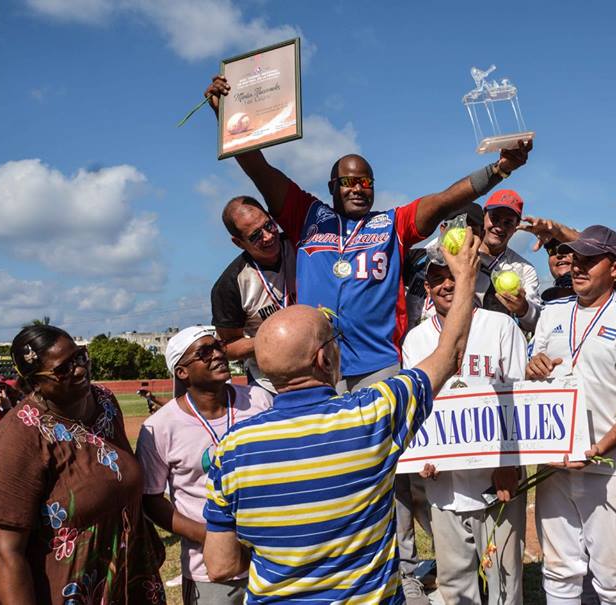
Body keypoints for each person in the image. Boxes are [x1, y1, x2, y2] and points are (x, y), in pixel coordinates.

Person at [201, 229, 481, 603]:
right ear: (324, 358)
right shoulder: (373, 414)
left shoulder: (231, 449)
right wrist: (464, 277)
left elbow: (219, 565)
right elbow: (448, 356)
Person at [205, 76, 531, 392]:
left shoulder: (393, 224)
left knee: (382, 447)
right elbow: (260, 170)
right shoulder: (306, 216)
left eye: (366, 182)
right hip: (316, 363)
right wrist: (227, 116)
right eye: (349, 182)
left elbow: (445, 200)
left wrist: (499, 169)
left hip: (380, 365)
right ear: (333, 187)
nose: (359, 188)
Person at [527, 225, 616, 605]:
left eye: (590, 260)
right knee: (558, 570)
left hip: (611, 465)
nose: (577, 267)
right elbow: (528, 374)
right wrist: (532, 366)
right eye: (575, 258)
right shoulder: (552, 312)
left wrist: (600, 446)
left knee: (614, 576)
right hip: (555, 463)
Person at [0, 325, 164, 604]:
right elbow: (6, 552)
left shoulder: (105, 402)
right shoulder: (19, 436)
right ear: (35, 383)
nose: (80, 370)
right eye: (63, 369)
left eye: (80, 357)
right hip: (70, 590)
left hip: (131, 583)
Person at [403, 248, 529, 604]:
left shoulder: (501, 325)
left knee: (506, 583)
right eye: (437, 277)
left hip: (497, 483)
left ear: (471, 279)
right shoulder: (416, 340)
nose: (446, 284)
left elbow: (519, 398)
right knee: (456, 585)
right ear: (426, 287)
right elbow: (417, 407)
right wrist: (420, 458)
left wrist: (510, 464)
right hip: (443, 483)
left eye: (453, 275)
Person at [136, 327, 273, 605]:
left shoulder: (260, 401)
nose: (218, 354)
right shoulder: (160, 427)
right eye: (204, 352)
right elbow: (151, 501)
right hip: (209, 569)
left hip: (271, 556)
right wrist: (210, 536)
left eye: (218, 346)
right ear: (182, 372)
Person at [211, 196, 296, 393]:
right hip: (269, 383)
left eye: (269, 225)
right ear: (238, 242)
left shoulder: (299, 246)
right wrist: (272, 338)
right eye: (255, 235)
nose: (268, 236)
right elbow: (228, 347)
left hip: (318, 370)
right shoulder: (230, 284)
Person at [476, 190, 543, 330]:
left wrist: (523, 309)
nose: (499, 227)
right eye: (494, 218)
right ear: (484, 216)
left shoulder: (525, 269)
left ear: (517, 226)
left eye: (508, 222)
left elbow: (537, 322)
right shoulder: (462, 254)